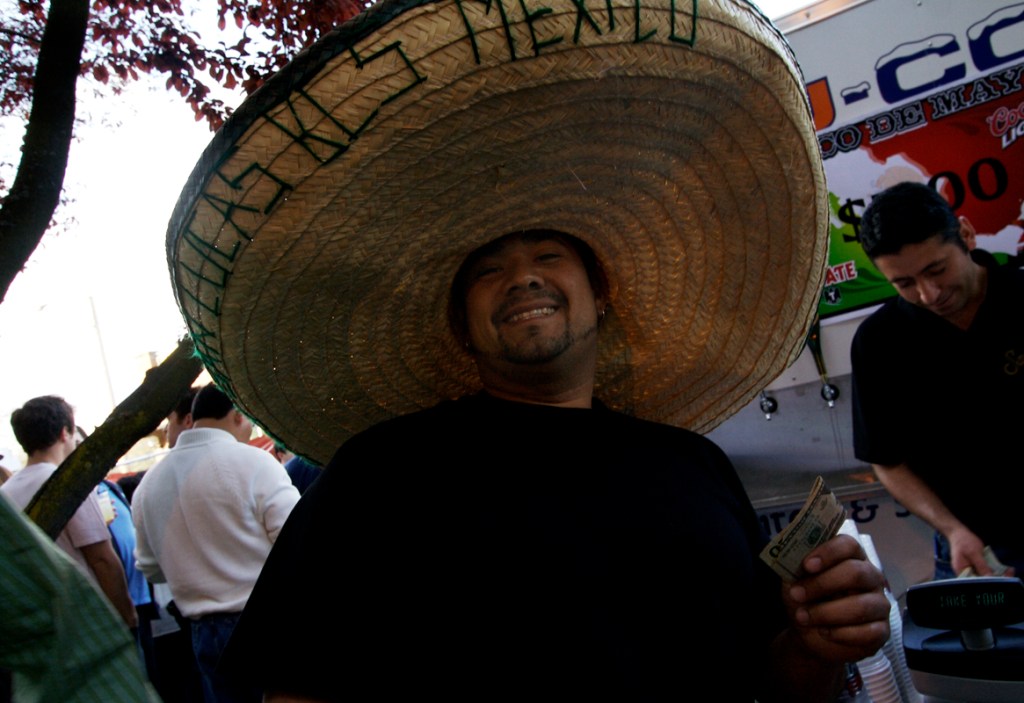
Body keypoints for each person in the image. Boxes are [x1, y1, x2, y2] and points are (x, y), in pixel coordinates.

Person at [168, 1, 890, 700]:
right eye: (488, 271)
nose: (521, 276)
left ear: (600, 290)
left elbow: (775, 683)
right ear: (462, 326)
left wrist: (818, 640)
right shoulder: (381, 476)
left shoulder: (694, 466)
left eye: (548, 252)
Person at [850, 181, 1024, 579]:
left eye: (936, 270)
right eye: (904, 283)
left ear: (965, 234)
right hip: (972, 550)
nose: (929, 295)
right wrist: (952, 529)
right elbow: (888, 461)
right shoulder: (880, 342)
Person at [131, 383, 300, 703]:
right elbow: (297, 539)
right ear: (238, 415)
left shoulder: (148, 485)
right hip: (267, 620)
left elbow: (151, 570)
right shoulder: (255, 463)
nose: (251, 429)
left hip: (203, 632)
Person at [1, 491, 160, 703]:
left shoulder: (13, 488)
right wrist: (126, 614)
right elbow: (101, 559)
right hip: (87, 634)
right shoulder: (67, 487)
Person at [2, 396, 138, 631]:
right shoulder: (69, 483)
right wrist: (127, 616)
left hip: (42, 623)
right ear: (65, 433)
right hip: (89, 617)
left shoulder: (6, 493)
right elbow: (101, 558)